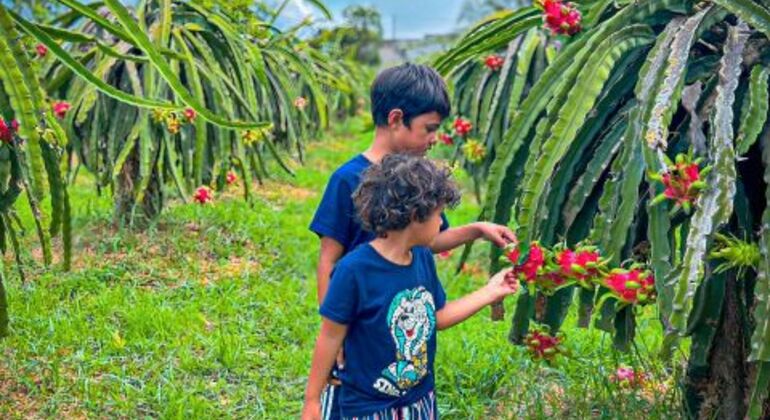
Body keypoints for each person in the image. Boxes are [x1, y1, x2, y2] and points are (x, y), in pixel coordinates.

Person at [309, 63, 516, 419]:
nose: (434, 138)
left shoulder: (419, 184)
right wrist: (335, 330)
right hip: (363, 329)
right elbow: (329, 259)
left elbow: (430, 240)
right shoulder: (347, 179)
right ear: (396, 119)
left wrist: (476, 230)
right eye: (429, 129)